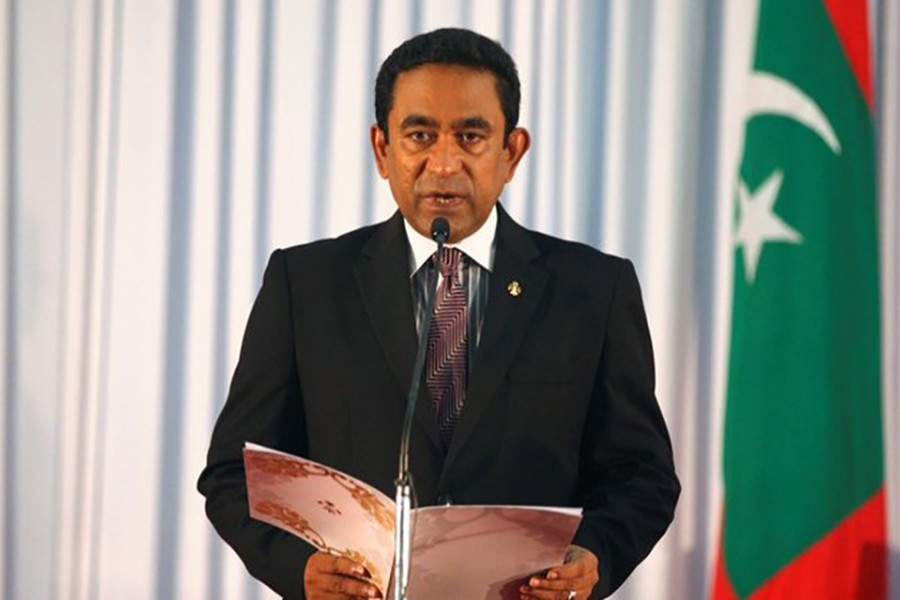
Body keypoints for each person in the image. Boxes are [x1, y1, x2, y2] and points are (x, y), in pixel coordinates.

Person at [198, 27, 679, 600]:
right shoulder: (305, 284)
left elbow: (642, 475)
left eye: (471, 137)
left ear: (511, 152)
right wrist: (299, 569)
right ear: (382, 149)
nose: (444, 164)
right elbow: (233, 474)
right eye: (420, 135)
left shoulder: (593, 290)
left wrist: (593, 556)